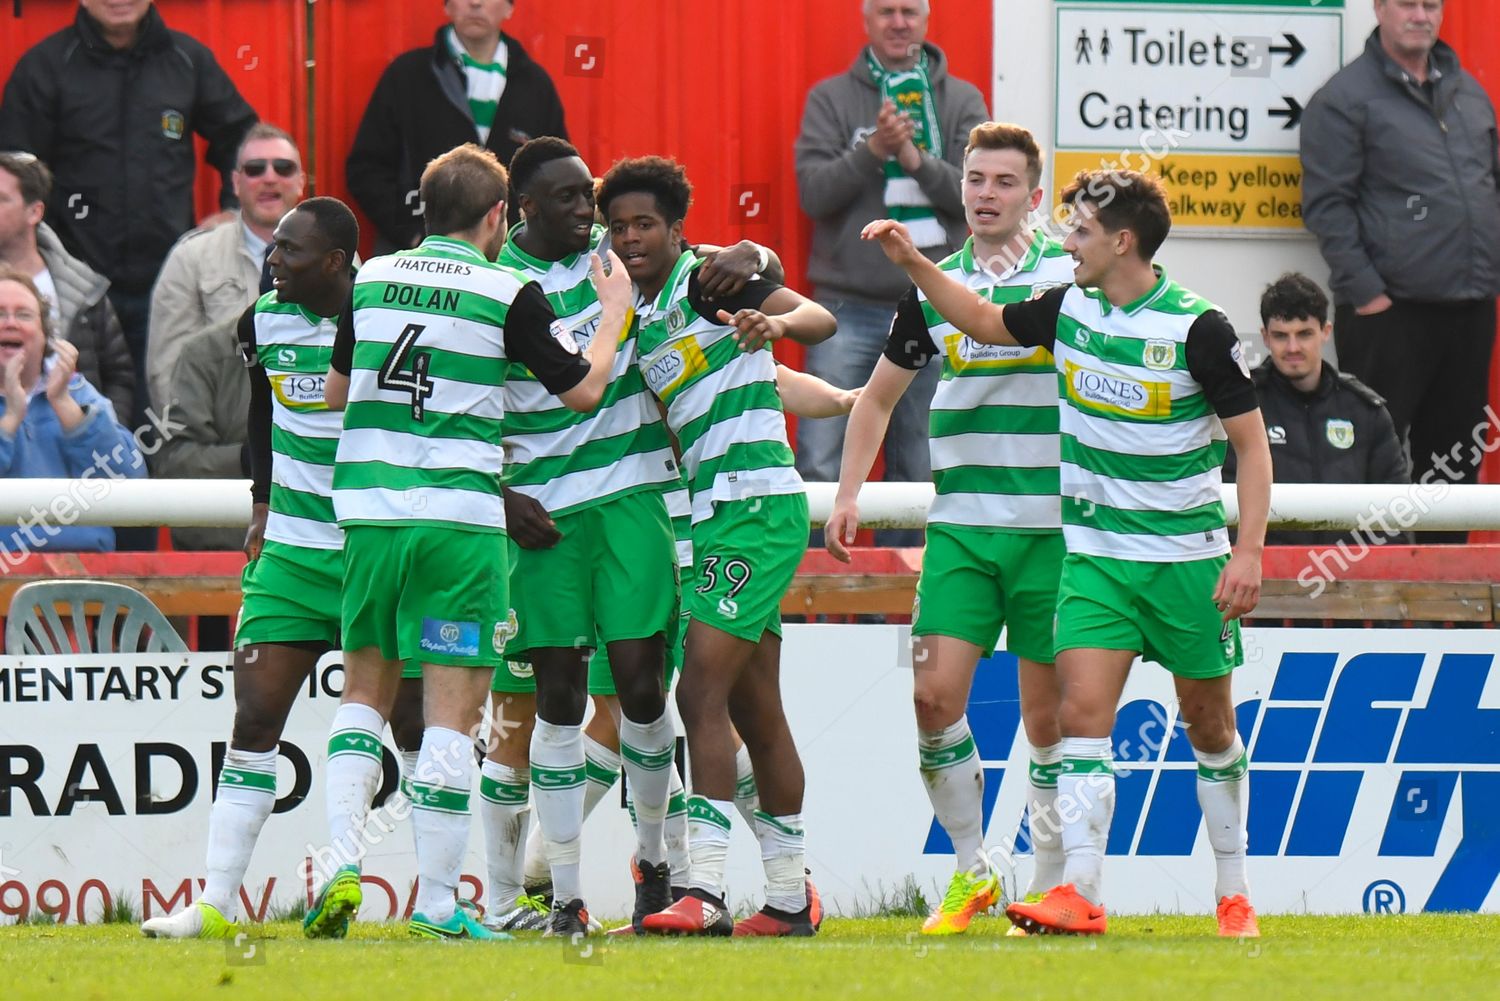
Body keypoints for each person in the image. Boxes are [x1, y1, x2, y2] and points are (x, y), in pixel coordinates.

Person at [865, 167, 1272, 939]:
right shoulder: (1068, 309)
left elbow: (1252, 449)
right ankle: (1079, 889)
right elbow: (983, 321)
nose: (1065, 241)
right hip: (1092, 560)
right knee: (1080, 719)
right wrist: (915, 265)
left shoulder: (1199, 327)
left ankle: (1233, 889)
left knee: (1210, 724)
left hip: (1186, 562)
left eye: (1079, 230)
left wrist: (1247, 551)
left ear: (1122, 241)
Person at [312, 143, 631, 942]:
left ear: (424, 207)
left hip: (372, 518)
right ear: (498, 217)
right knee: (454, 713)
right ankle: (436, 904)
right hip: (458, 524)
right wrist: (616, 314)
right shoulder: (504, 288)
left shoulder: (374, 279)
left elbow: (336, 393)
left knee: (363, 695)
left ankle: (340, 867)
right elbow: (583, 389)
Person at [479, 137, 775, 936]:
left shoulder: (628, 268)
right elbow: (454, 417)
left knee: (645, 689)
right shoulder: (498, 287)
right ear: (526, 209)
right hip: (544, 521)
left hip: (637, 502)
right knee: (558, 701)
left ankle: (656, 865)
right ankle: (565, 897)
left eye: (595, 199)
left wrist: (757, 251)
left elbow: (738, 281)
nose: (594, 214)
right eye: (575, 200)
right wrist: (501, 496)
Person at [826, 122, 1075, 936]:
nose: (986, 193)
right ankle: (974, 869)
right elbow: (875, 398)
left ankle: (1049, 881)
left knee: (1047, 721)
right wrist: (849, 493)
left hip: (1052, 531)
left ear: (1034, 196)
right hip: (963, 528)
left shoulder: (1070, 277)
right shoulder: (934, 288)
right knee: (932, 695)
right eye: (975, 178)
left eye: (1005, 181)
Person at [597, 156, 851, 938]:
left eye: (646, 224)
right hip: (712, 515)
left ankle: (702, 892)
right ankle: (787, 898)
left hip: (757, 508)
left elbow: (820, 321)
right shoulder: (630, 314)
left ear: (677, 229)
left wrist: (774, 318)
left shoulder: (710, 280)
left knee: (695, 695)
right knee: (757, 709)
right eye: (620, 226)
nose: (632, 237)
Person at [138, 197, 362, 940]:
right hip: (292, 554)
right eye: (272, 249)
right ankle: (212, 903)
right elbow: (263, 411)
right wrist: (263, 500)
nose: (273, 263)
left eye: (290, 251)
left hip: (376, 546)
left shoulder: (382, 316)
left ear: (335, 261)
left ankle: (445, 899)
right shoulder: (259, 321)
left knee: (423, 728)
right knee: (255, 717)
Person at [0, 0, 258, 414]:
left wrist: (233, 210)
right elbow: (13, 167)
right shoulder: (46, 66)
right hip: (77, 288)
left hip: (170, 285)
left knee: (170, 414)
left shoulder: (187, 61)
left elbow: (243, 139)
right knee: (81, 413)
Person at [793, 0, 988, 542]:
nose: (899, 22)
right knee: (820, 463)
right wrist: (874, 150)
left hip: (933, 306)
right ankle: (813, 605)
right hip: (846, 309)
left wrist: (915, 158)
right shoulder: (831, 99)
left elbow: (976, 198)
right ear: (866, 20)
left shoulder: (962, 100)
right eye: (886, 12)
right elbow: (814, 194)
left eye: (909, 11)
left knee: (920, 472)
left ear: (926, 21)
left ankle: (901, 611)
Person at [1301, 0, 1500, 491]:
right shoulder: (1344, 98)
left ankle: (1443, 566)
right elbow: (1327, 206)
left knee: (1454, 457)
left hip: (1469, 307)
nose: (1420, 15)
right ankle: (1367, 568)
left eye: (1431, 5)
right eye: (1407, 4)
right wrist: (1369, 296)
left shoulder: (1467, 92)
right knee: (1371, 455)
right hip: (1389, 315)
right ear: (1380, 9)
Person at [346, 0, 569, 254]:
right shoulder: (407, 75)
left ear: (510, 8)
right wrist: (413, 236)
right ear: (446, 6)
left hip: (507, 266)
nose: (475, 3)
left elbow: (559, 177)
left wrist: (524, 249)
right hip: (419, 265)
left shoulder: (535, 86)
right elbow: (366, 169)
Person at [1224, 273, 1409, 547]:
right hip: (1265, 575)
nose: (1293, 347)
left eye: (1304, 334)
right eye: (1280, 336)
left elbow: (1396, 515)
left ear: (1326, 331)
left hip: (1352, 576)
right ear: (1264, 337)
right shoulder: (1242, 407)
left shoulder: (1365, 411)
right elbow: (1220, 508)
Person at [147, 125, 307, 416]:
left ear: (301, 182)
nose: (269, 177)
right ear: (235, 182)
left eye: (283, 168)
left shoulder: (339, 259)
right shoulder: (190, 258)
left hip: (311, 440)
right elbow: (166, 372)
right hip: (222, 445)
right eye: (255, 169)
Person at [0, 267, 143, 555]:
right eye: (0, 314)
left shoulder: (77, 392)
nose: (10, 323)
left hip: (86, 571)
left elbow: (131, 482)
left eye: (24, 315)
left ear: (45, 337)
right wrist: (11, 420)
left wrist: (65, 406)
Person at [0, 150, 133, 419]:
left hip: (73, 448)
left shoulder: (84, 287)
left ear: (34, 212)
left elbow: (119, 375)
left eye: (1, 200)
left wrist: (100, 432)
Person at [149, 316, 249, 551]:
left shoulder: (350, 346)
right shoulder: (205, 353)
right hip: (227, 552)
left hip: (335, 542)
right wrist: (245, 460)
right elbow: (173, 461)